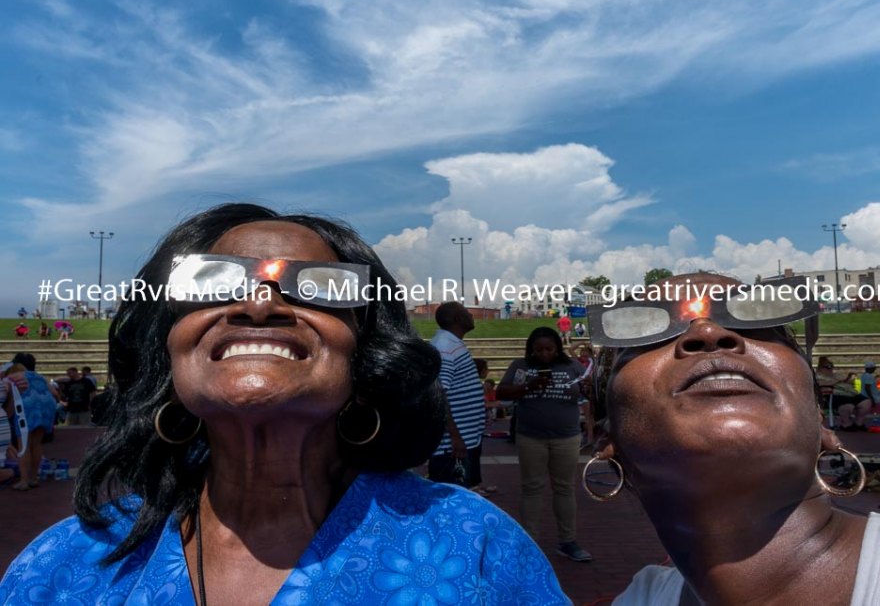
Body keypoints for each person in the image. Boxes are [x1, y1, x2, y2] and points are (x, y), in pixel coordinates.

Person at [1, 204, 568, 604]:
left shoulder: (476, 547)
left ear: (366, 353)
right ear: (168, 349)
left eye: (319, 284)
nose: (259, 304)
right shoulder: (65, 565)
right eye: (214, 280)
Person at [587, 273, 880, 604]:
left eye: (751, 321)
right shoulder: (641, 598)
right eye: (651, 331)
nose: (708, 332)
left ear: (819, 419)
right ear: (607, 435)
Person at [496, 326, 593, 563]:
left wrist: (589, 388)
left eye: (549, 349)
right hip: (531, 436)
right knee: (532, 487)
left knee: (565, 488)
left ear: (557, 348)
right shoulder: (521, 366)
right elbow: (502, 393)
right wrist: (529, 385)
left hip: (566, 436)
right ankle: (529, 541)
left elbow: (587, 390)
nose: (544, 354)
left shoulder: (571, 366)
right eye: (538, 349)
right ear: (530, 349)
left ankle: (567, 541)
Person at [427, 302, 488, 496]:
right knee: (452, 499)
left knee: (465, 492)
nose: (471, 315)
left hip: (465, 440)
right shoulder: (444, 347)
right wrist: (454, 436)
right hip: (452, 447)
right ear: (457, 319)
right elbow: (438, 393)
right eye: (466, 312)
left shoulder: (451, 344)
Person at [3, 354, 58, 491]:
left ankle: (24, 481)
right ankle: (33, 478)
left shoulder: (10, 378)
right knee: (36, 444)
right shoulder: (39, 376)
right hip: (46, 407)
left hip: (26, 410)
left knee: (23, 447)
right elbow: (55, 394)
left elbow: (8, 400)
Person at [816, 357, 872, 431]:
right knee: (847, 405)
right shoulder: (817, 376)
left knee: (866, 402)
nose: (831, 369)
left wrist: (847, 380)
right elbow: (821, 384)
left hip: (849, 393)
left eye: (832, 366)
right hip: (831, 395)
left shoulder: (836, 375)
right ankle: (846, 424)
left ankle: (859, 423)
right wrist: (838, 381)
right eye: (828, 367)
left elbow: (846, 380)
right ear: (821, 368)